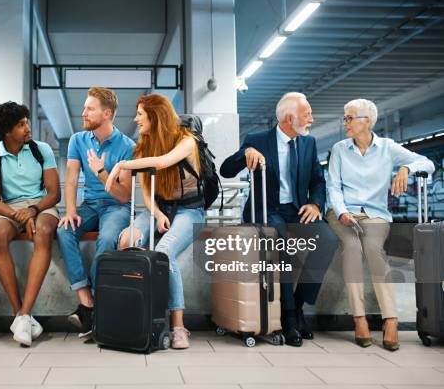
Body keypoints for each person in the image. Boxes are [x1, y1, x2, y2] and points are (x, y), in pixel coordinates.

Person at [220, 92, 338, 347]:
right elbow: (226, 170)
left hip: (297, 209)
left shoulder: (308, 143)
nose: (312, 119)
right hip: (267, 209)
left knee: (328, 240)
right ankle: (290, 318)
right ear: (288, 118)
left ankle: (297, 303)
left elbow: (318, 180)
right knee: (282, 246)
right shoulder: (257, 140)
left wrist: (315, 204)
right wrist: (245, 153)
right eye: (307, 115)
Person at [326, 98, 434, 351]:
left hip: (375, 214)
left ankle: (391, 319)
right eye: (345, 118)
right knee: (352, 248)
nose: (345, 123)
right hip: (342, 213)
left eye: (350, 118)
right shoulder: (339, 149)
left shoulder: (388, 147)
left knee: (374, 250)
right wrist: (341, 212)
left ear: (367, 121)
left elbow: (428, 164)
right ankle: (359, 319)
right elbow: (333, 186)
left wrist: (406, 168)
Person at [106, 94, 206, 349]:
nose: (136, 119)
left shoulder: (187, 141)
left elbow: (162, 163)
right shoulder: (144, 145)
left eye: (140, 114)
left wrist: (123, 165)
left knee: (163, 252)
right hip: (160, 209)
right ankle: (132, 315)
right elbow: (147, 195)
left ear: (155, 115)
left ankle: (178, 325)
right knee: (127, 239)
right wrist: (159, 214)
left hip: (189, 211)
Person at [0, 101, 61, 347]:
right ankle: (21, 314)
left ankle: (24, 313)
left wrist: (33, 211)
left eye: (26, 122)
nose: (28, 128)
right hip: (7, 207)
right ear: (6, 131)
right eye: (20, 125)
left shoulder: (41, 149)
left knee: (44, 232)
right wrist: (19, 216)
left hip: (40, 205)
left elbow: (54, 193)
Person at [56, 87, 135, 337]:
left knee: (107, 239)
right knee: (64, 229)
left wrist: (101, 172)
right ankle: (87, 301)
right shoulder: (78, 140)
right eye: (84, 108)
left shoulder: (127, 146)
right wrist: (69, 211)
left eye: (90, 109)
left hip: (116, 207)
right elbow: (70, 179)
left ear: (107, 113)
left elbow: (124, 195)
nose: (84, 113)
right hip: (89, 205)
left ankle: (95, 306)